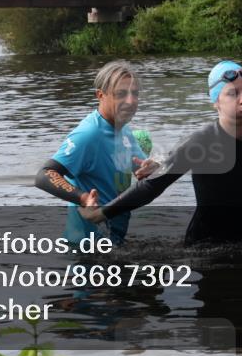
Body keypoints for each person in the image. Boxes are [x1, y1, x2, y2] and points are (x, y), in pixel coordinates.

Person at [80, 61, 242, 245]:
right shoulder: (201, 141)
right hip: (206, 244)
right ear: (216, 102)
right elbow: (154, 186)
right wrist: (102, 212)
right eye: (233, 94)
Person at [34, 61, 154, 245]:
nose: (130, 101)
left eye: (134, 93)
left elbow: (141, 167)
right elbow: (44, 175)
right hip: (85, 248)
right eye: (121, 94)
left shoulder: (124, 130)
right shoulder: (89, 134)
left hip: (112, 242)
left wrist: (151, 167)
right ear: (101, 95)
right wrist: (83, 198)